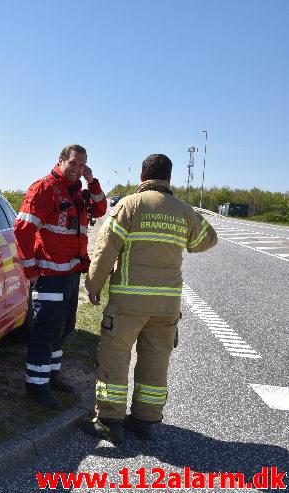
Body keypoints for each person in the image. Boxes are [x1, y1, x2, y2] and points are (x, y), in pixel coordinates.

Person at [81, 153, 217, 444]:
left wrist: (93, 284)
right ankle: (144, 421)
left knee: (114, 357)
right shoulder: (184, 211)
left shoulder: (129, 205)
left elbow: (106, 250)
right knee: (156, 361)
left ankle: (109, 421)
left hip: (129, 302)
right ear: (169, 178)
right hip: (167, 305)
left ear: (142, 177)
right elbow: (207, 239)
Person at [14, 144, 107, 408]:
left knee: (63, 328)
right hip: (49, 273)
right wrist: (30, 271)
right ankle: (36, 386)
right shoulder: (43, 188)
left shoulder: (78, 189)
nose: (77, 169)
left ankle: (51, 376)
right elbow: (22, 230)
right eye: (74, 164)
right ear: (61, 161)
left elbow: (100, 211)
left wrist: (92, 181)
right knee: (46, 330)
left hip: (70, 273)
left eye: (82, 165)